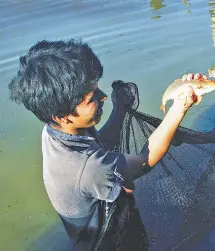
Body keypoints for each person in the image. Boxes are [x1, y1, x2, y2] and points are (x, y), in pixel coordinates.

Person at [8, 40, 200, 250]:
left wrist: (119, 111)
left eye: (97, 88)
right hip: (107, 241)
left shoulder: (55, 130)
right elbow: (145, 162)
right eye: (92, 97)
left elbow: (98, 146)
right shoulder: (90, 168)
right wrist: (180, 107)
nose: (104, 97)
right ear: (61, 115)